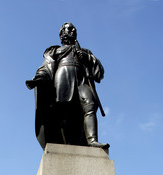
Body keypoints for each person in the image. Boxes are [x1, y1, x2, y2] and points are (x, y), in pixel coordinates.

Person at [26, 22, 109, 150]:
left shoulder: (84, 52)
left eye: (73, 28)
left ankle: (92, 140)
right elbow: (46, 67)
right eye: (68, 28)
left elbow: (99, 73)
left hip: (82, 80)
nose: (72, 30)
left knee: (90, 104)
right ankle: (67, 145)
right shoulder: (55, 50)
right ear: (62, 33)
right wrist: (38, 78)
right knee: (64, 113)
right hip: (63, 77)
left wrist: (86, 58)